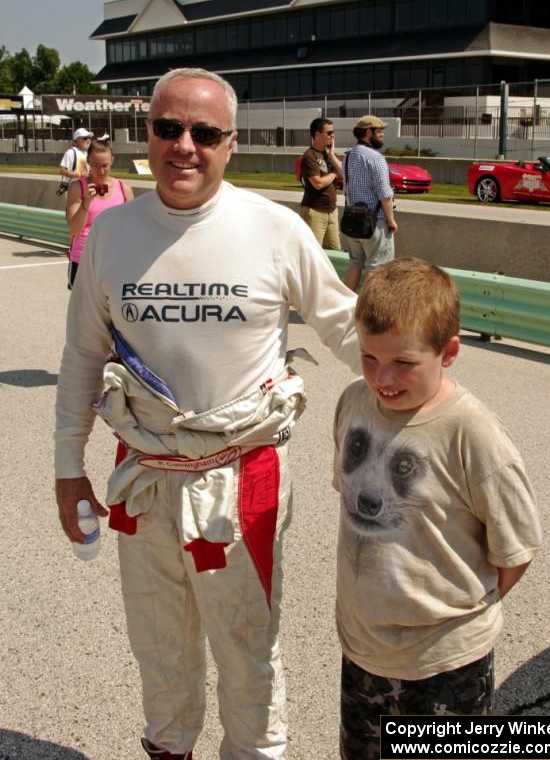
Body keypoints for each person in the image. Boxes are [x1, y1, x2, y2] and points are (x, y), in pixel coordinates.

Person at [54, 67, 360, 760]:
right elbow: (80, 357)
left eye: (203, 132)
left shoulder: (275, 230)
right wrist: (66, 469)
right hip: (145, 474)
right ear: (147, 136)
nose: (183, 145)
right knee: (159, 647)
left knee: (247, 647)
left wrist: (425, 392)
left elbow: (347, 330)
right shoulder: (112, 234)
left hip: (241, 477)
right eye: (168, 128)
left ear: (230, 144)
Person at [332, 258, 542, 760]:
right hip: (363, 650)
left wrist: (456, 614)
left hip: (448, 663)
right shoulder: (351, 405)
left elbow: (516, 550)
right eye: (368, 357)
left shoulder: (474, 434)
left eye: (404, 363)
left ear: (448, 352)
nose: (383, 377)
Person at [66, 139, 134, 288]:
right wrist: (87, 202)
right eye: (95, 166)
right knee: (85, 310)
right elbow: (74, 229)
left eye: (105, 166)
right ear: (88, 161)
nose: (101, 171)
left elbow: (132, 230)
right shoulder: (78, 188)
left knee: (114, 309)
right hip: (84, 259)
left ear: (112, 161)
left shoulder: (124, 189)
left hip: (115, 259)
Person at [341, 115, 397, 291]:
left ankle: (348, 306)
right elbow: (385, 194)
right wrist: (391, 220)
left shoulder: (348, 157)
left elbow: (347, 187)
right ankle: (366, 311)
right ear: (367, 132)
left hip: (352, 219)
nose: (381, 134)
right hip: (374, 221)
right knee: (378, 266)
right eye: (379, 131)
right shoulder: (376, 158)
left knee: (355, 263)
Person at [298, 117, 342, 250]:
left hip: (332, 212)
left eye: (333, 132)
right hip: (315, 212)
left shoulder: (329, 155)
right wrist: (334, 174)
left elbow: (343, 172)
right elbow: (318, 183)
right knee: (314, 253)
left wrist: (332, 154)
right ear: (317, 134)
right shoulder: (309, 155)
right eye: (328, 133)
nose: (332, 136)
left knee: (335, 252)